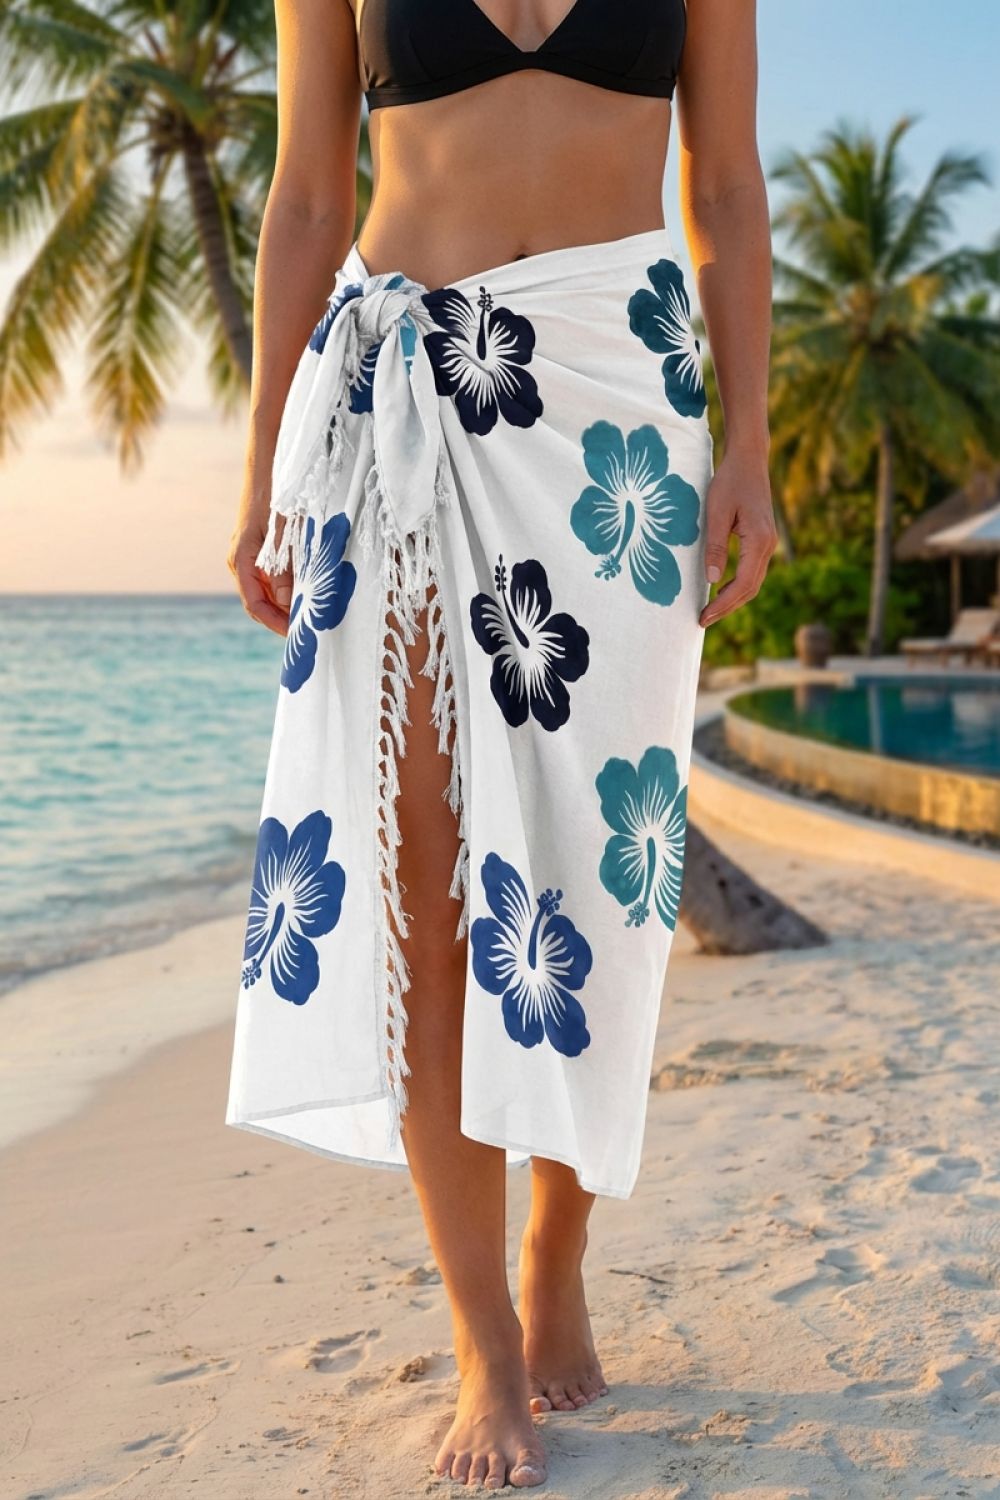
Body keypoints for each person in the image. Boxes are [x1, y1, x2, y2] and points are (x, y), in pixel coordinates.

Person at [226, 0, 776, 1488]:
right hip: (404, 395)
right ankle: (481, 1337)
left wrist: (750, 444)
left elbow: (726, 184)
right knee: (421, 876)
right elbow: (307, 195)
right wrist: (265, 465)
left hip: (618, 400)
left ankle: (556, 1249)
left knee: (600, 868)